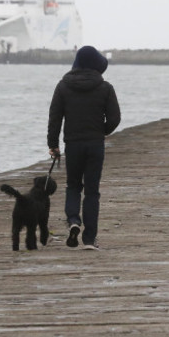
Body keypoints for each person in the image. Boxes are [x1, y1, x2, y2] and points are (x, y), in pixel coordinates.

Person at [47, 45, 121, 250]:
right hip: (95, 144)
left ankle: (73, 221)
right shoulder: (105, 88)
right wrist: (101, 131)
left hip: (73, 144)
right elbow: (115, 118)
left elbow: (55, 118)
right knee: (92, 191)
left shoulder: (63, 86)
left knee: (73, 186)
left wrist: (53, 145)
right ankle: (89, 239)